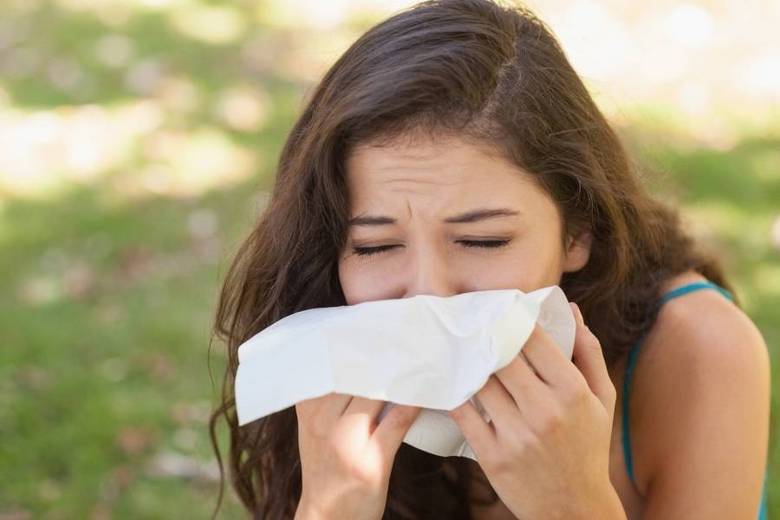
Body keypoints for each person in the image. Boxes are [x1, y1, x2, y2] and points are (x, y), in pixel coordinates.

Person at [208, 0, 771, 518]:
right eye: (376, 246)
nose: (429, 293)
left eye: (483, 241)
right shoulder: (331, 373)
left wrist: (575, 504)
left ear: (578, 232)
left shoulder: (700, 352)